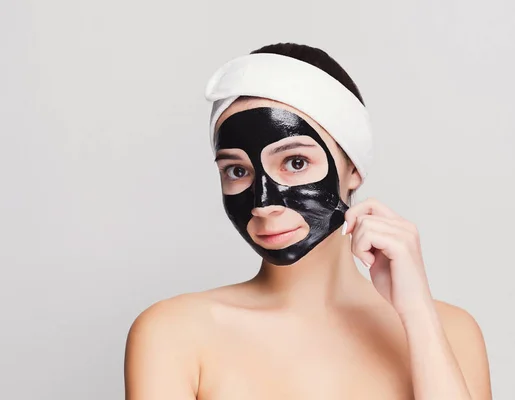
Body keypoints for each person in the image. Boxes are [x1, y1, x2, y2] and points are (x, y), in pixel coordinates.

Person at [124, 42, 492, 400]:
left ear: (353, 169)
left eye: (296, 162)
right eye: (237, 170)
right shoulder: (175, 334)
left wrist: (417, 316)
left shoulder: (451, 331)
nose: (263, 204)